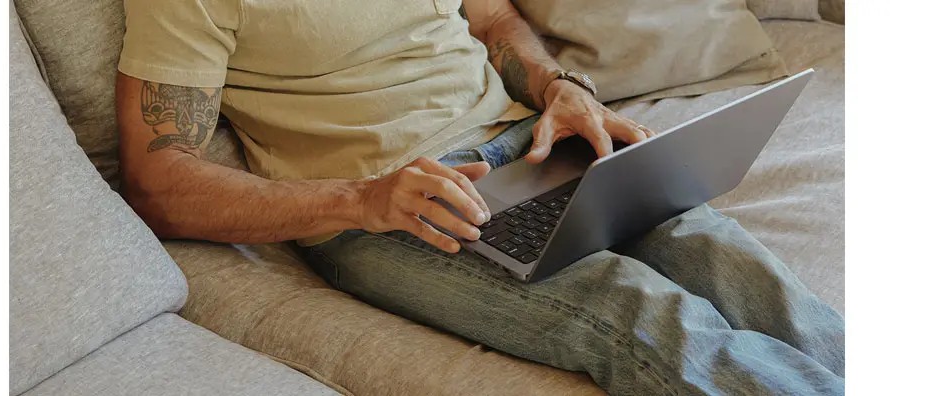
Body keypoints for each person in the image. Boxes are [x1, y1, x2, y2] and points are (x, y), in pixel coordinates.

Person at [114, 0, 845, 394]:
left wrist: (560, 88)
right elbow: (159, 182)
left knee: (723, 257)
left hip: (527, 143)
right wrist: (363, 198)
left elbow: (491, 19)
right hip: (394, 208)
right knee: (642, 313)